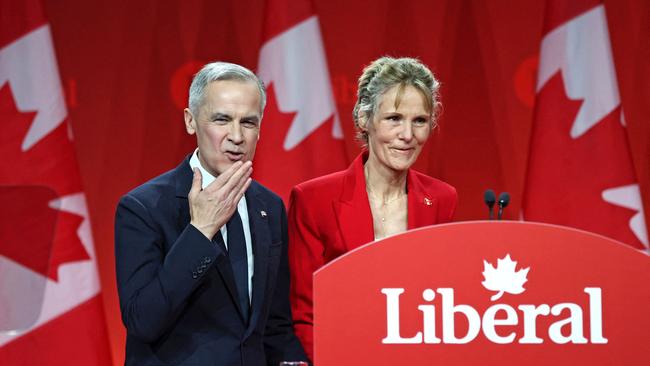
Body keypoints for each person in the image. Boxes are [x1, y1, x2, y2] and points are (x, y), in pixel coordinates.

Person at [115, 62, 307, 366]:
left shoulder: (268, 207)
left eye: (248, 122)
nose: (236, 136)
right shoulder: (143, 208)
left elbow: (275, 324)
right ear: (191, 122)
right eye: (222, 119)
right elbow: (143, 320)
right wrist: (200, 231)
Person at [288, 56, 458, 361]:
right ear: (364, 120)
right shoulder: (313, 200)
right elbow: (304, 315)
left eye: (419, 120)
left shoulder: (442, 199)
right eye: (394, 118)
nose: (407, 135)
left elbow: (441, 305)